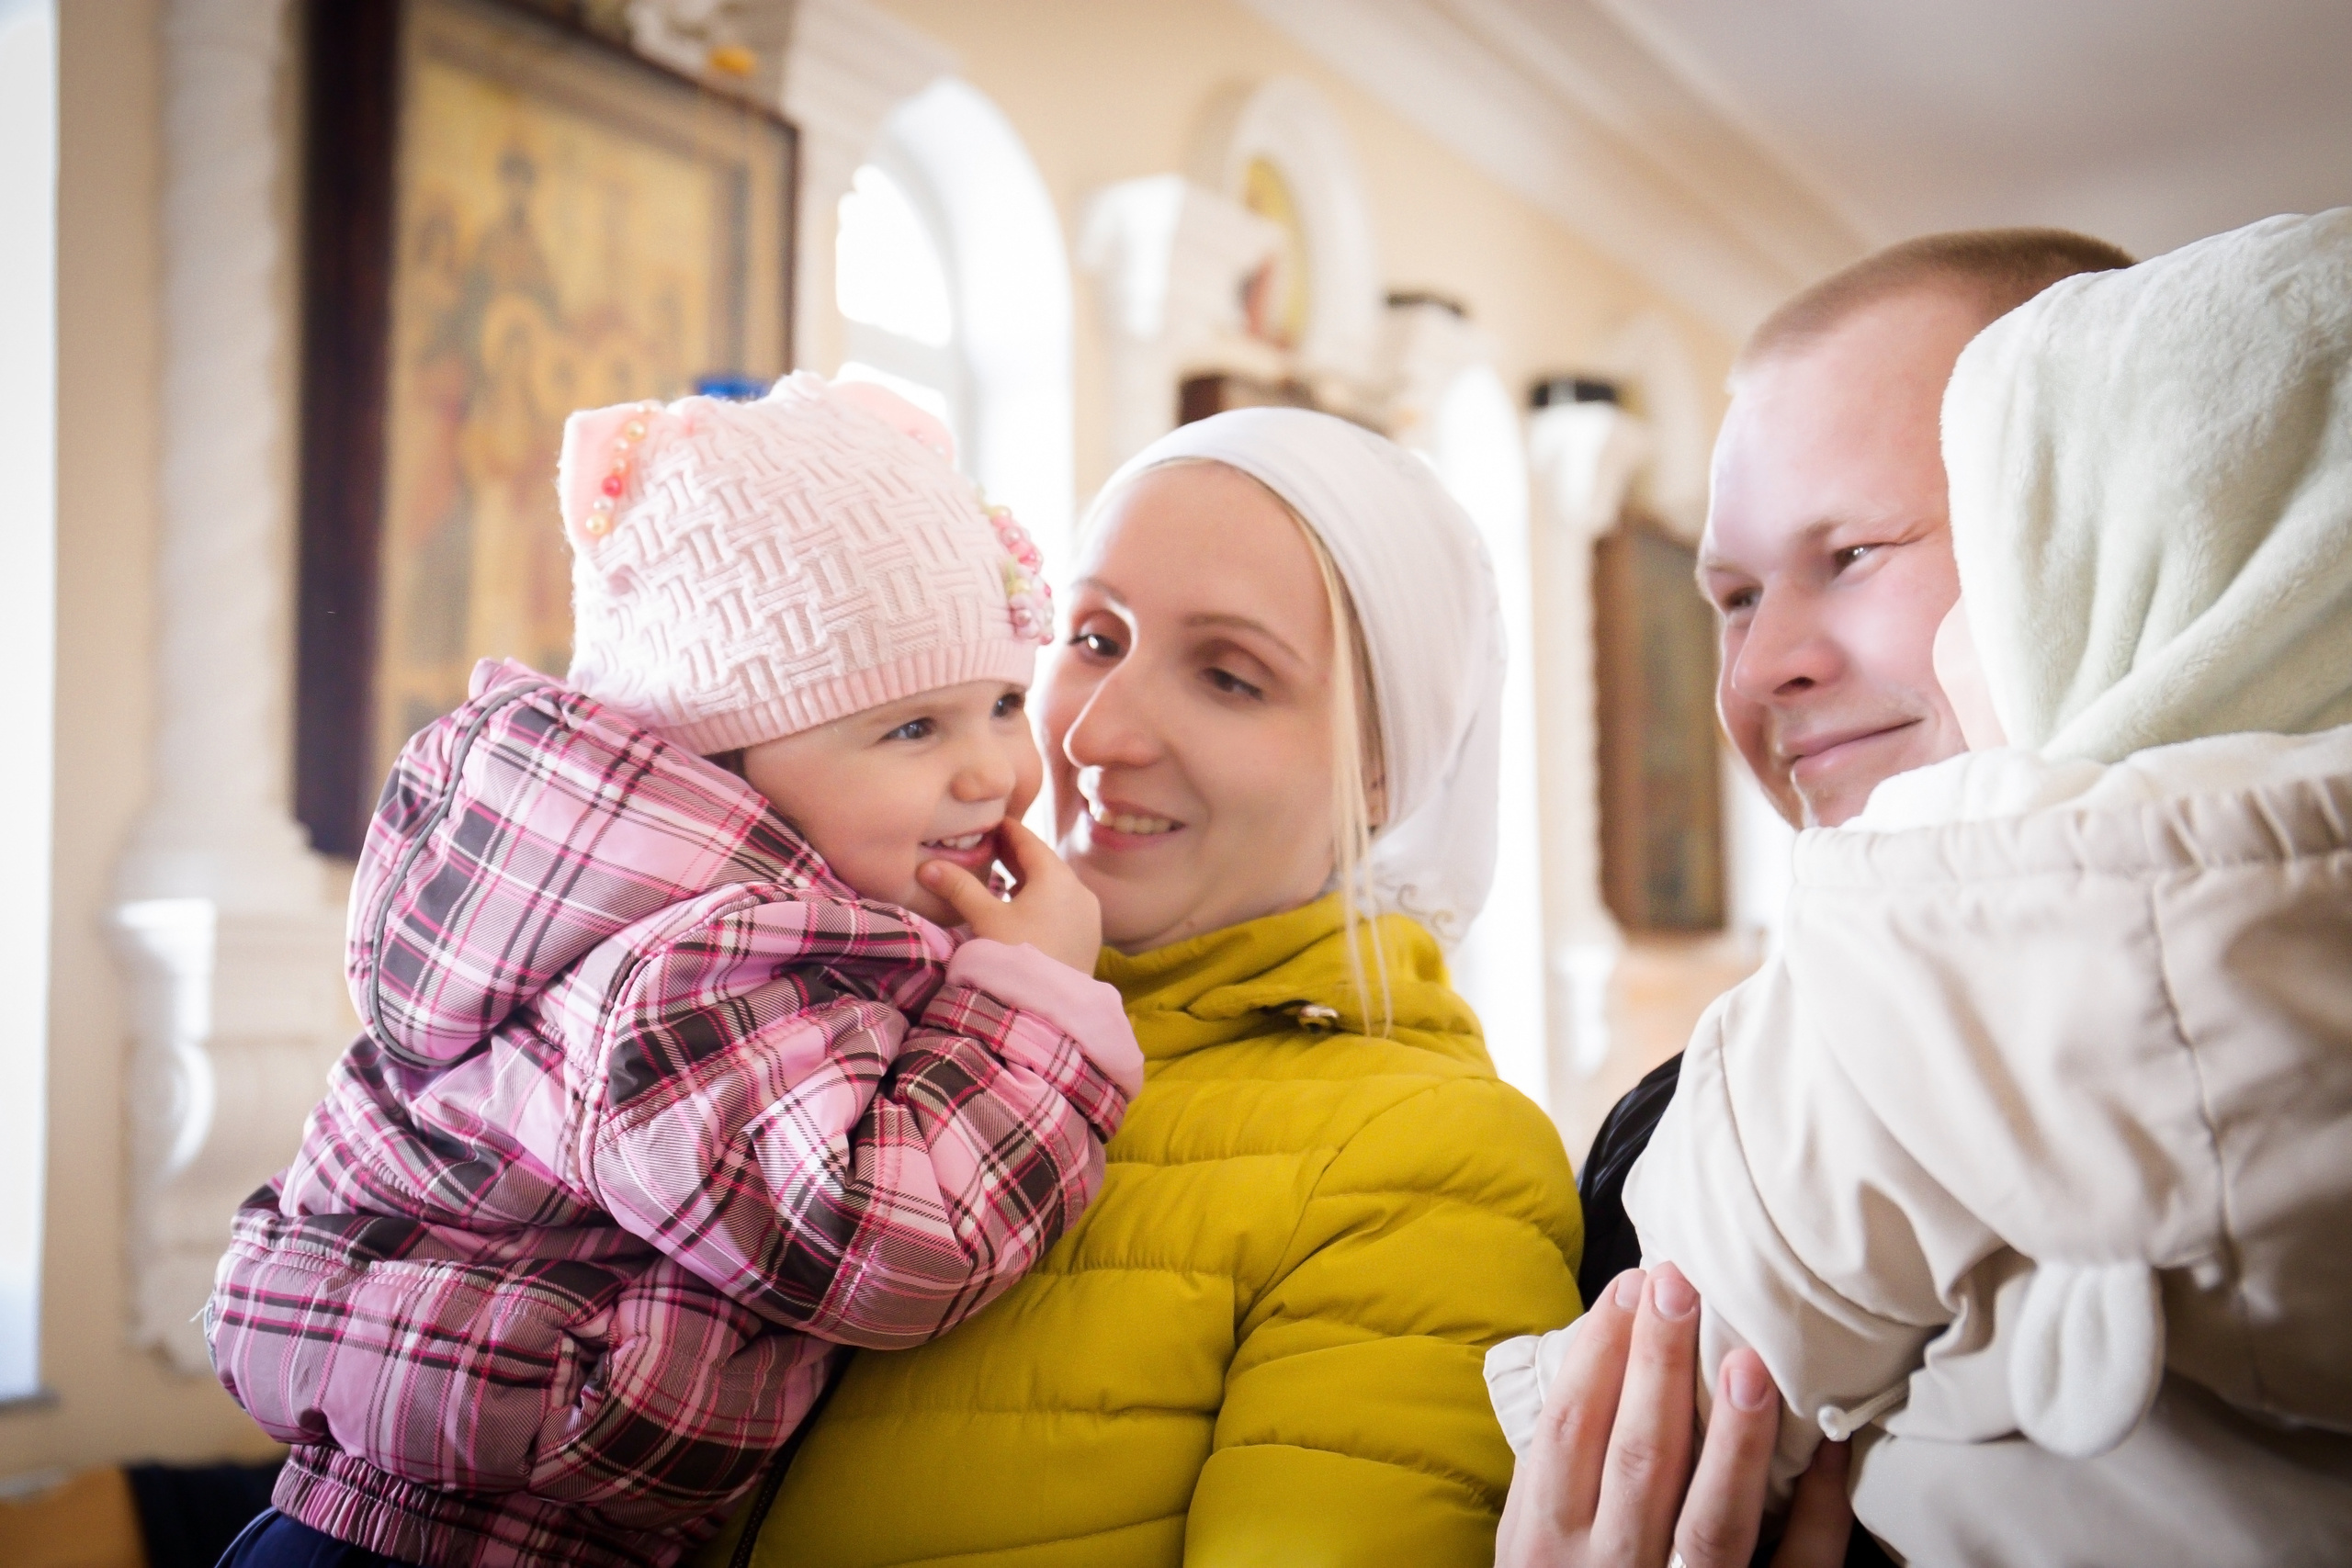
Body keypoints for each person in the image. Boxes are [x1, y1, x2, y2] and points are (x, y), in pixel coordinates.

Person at [1502, 209, 2352, 1565]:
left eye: (1850, 554)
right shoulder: (1664, 1158)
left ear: (2117, 525)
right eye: (1728, 595)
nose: (1761, 664)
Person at [203, 375, 1144, 1568]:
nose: (995, 775)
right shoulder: (693, 963)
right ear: (725, 759)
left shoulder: (645, 904)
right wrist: (1037, 1005)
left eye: (1005, 703)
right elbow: (871, 1241)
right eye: (912, 728)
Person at [708, 409, 1584, 1566]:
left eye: (1228, 676)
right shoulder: (880, 1004)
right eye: (1094, 638)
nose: (1095, 735)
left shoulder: (1433, 1162)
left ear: (1377, 767)